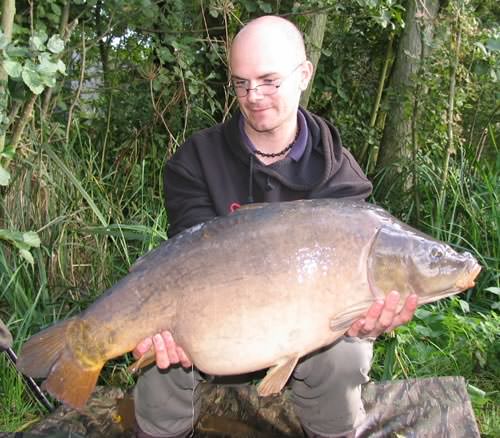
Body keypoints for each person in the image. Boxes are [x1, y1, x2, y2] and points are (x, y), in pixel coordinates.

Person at [133, 15, 418, 438]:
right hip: (218, 328)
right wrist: (170, 329)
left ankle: (332, 431)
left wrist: (364, 316)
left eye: (268, 80)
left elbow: (355, 288)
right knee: (161, 358)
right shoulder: (194, 161)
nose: (253, 96)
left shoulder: (338, 174)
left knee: (345, 354)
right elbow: (187, 262)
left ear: (304, 74)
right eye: (241, 83)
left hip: (306, 330)